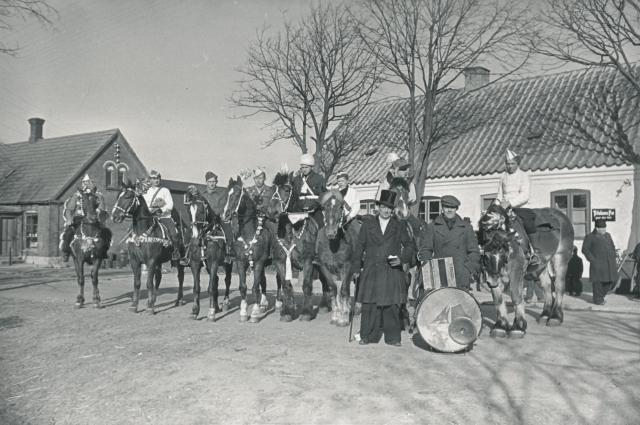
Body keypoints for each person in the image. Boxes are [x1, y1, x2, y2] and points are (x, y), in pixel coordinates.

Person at [351, 190, 415, 346]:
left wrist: (402, 259)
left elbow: (409, 245)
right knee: (369, 304)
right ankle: (367, 336)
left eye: (389, 208)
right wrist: (356, 268)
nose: (386, 210)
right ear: (378, 207)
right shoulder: (368, 225)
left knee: (392, 305)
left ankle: (393, 337)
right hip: (371, 269)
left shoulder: (398, 225)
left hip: (391, 269)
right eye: (384, 207)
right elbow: (359, 247)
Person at [418, 195, 480, 291]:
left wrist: (467, 270)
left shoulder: (466, 228)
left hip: (460, 274)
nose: (449, 210)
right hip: (439, 274)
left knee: (459, 304)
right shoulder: (433, 227)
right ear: (442, 208)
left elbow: (474, 252)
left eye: (452, 207)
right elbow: (426, 250)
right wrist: (429, 269)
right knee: (440, 304)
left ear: (456, 209)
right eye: (446, 207)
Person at [496, 149, 539, 265]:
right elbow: (499, 195)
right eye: (507, 164)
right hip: (504, 208)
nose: (509, 166)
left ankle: (535, 252)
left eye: (512, 164)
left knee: (528, 223)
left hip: (521, 207)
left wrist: (510, 203)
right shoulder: (502, 177)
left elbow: (525, 195)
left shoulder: (524, 176)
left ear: (517, 164)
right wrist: (495, 206)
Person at [60, 174, 107, 261]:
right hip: (79, 219)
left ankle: (104, 252)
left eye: (89, 183)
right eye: (85, 183)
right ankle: (65, 252)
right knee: (68, 233)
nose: (87, 185)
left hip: (93, 218)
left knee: (105, 233)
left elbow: (102, 209)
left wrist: (99, 213)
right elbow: (69, 209)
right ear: (83, 184)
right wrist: (69, 219)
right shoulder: (77, 195)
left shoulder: (98, 195)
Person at [142, 169, 181, 261]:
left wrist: (161, 210)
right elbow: (144, 205)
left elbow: (170, 205)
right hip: (151, 218)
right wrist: (150, 211)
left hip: (164, 217)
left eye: (158, 178)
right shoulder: (146, 192)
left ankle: (176, 251)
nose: (157, 180)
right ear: (150, 180)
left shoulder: (165, 190)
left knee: (174, 234)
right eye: (154, 179)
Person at [196, 171, 234, 262]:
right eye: (209, 181)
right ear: (206, 182)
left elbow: (222, 206)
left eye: (213, 181)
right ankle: (188, 255)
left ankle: (228, 253)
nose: (212, 184)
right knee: (192, 232)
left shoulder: (221, 194)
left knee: (228, 230)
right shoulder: (201, 194)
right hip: (204, 219)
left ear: (216, 182)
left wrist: (215, 214)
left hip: (217, 218)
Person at [582, 219, 618, 305]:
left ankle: (600, 297)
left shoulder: (608, 235)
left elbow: (612, 246)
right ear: (597, 228)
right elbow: (585, 249)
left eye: (605, 228)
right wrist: (592, 260)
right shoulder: (590, 237)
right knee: (598, 283)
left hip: (609, 263)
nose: (604, 230)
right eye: (602, 229)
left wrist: (613, 255)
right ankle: (598, 300)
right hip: (598, 264)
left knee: (610, 281)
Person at [292, 153, 327, 227]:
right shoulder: (297, 180)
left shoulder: (319, 179)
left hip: (314, 210)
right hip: (300, 211)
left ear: (311, 167)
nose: (304, 169)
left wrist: (315, 205)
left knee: (320, 228)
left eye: (306, 167)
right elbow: (294, 196)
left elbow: (323, 195)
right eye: (302, 167)